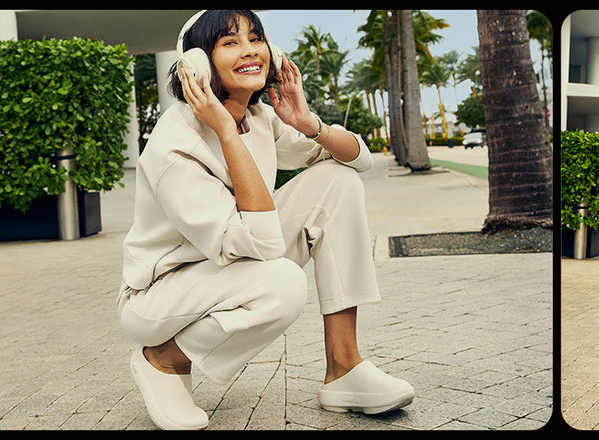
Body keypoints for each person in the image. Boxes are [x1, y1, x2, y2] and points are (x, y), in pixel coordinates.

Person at [117, 10, 413, 430]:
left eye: (255, 38)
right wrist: (222, 129)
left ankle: (344, 367)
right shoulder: (174, 145)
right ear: (197, 65)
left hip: (229, 265)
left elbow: (357, 160)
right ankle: (163, 361)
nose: (251, 50)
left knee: (337, 183)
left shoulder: (257, 119)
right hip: (162, 296)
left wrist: (308, 124)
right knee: (283, 283)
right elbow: (266, 245)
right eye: (230, 42)